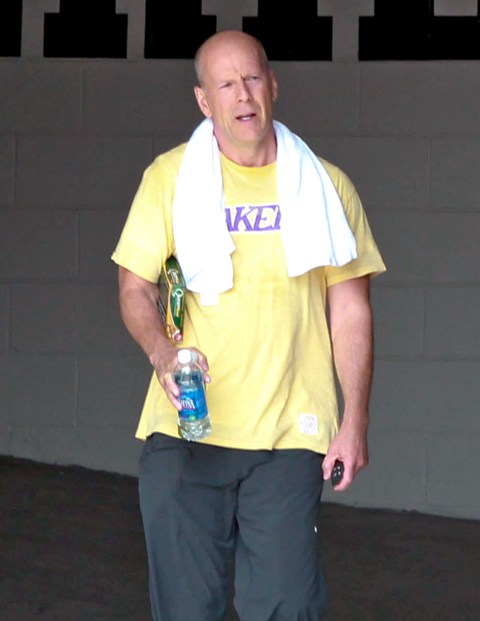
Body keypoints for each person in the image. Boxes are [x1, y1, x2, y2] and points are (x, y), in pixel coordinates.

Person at [112, 29, 386, 621]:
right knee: (186, 610)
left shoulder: (325, 186)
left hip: (289, 437)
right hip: (187, 430)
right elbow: (135, 288)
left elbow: (350, 310)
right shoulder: (170, 177)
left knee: (288, 605)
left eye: (253, 78)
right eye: (226, 84)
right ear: (203, 100)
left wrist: (355, 420)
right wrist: (161, 352)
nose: (243, 94)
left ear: (273, 85)